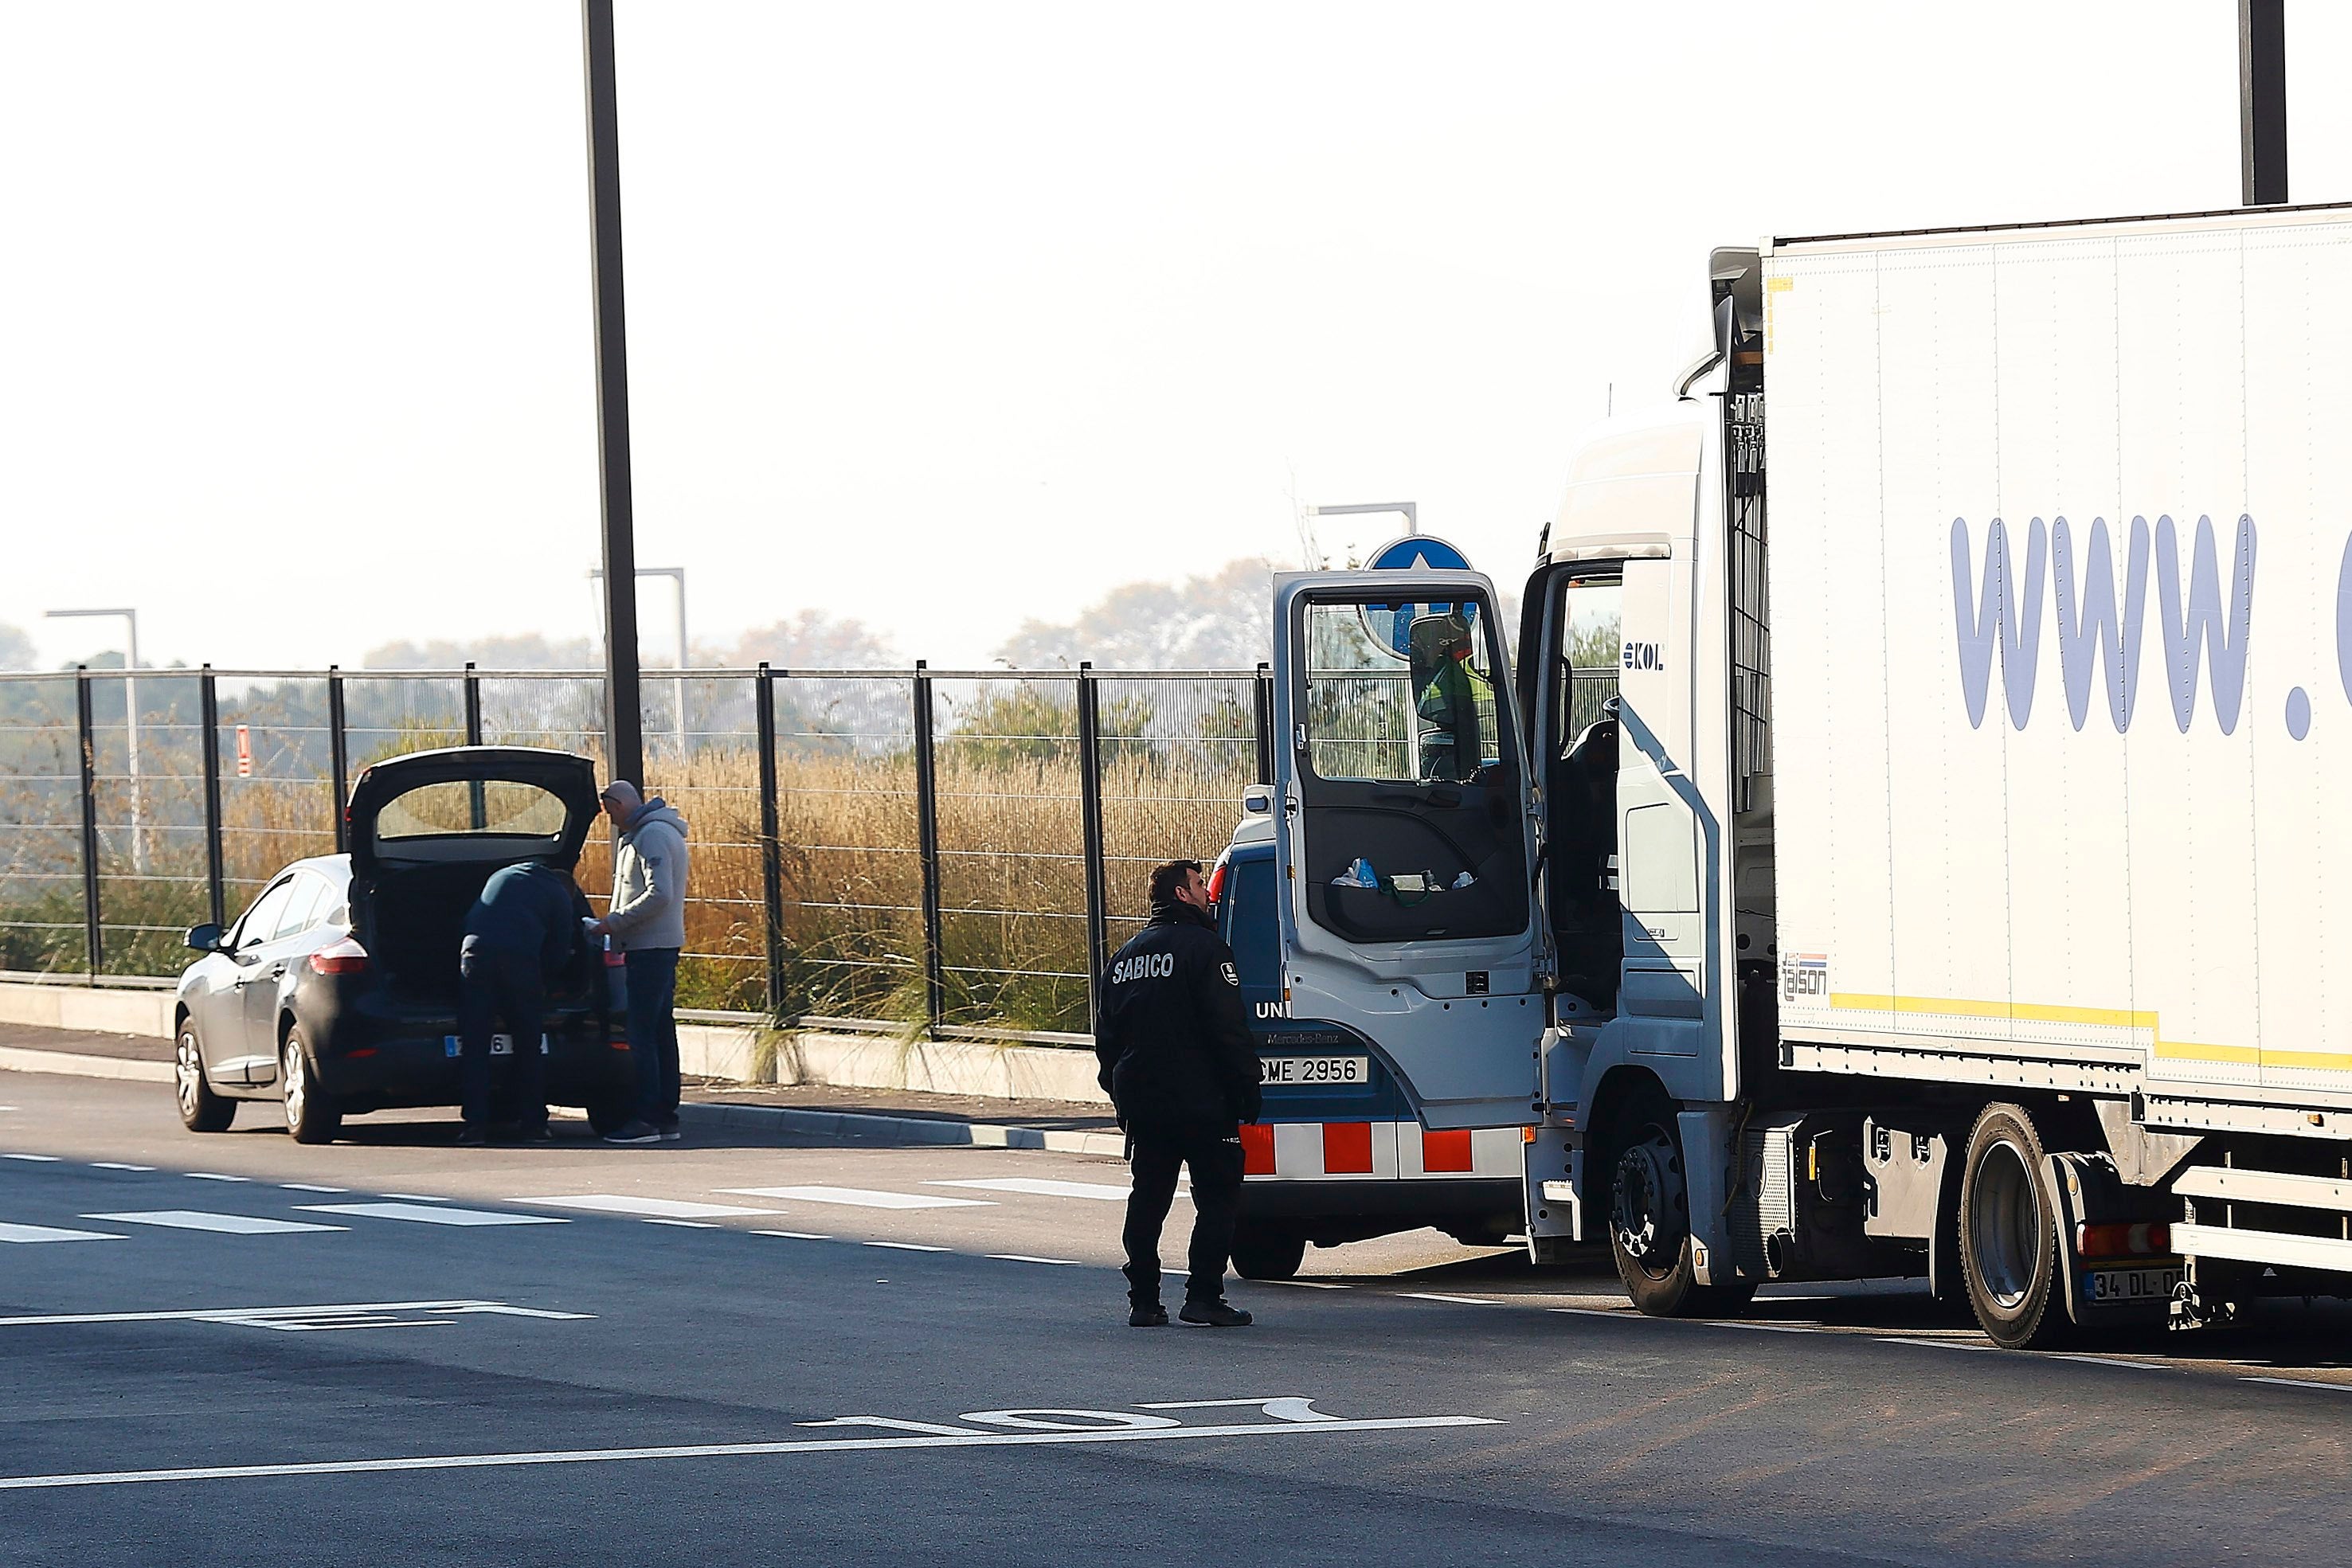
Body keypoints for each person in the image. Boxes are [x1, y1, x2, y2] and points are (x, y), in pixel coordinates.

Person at [1093, 858, 1263, 1328]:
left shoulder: (1126, 956)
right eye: (1198, 884)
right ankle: (1203, 1296)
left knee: (1148, 1197)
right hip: (1203, 1100)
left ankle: (1144, 1300)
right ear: (1182, 896)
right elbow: (1227, 1026)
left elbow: (1106, 1036)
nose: (1209, 892)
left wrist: (1118, 1092)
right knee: (1218, 1197)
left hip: (1145, 1102)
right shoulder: (1205, 948)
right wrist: (1247, 1086)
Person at [587, 780, 691, 1146]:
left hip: (650, 948)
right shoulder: (651, 833)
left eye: (610, 810)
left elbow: (658, 894)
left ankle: (648, 1117)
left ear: (619, 802)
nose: (610, 819)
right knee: (660, 1030)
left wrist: (610, 924)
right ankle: (664, 1115)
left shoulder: (651, 836)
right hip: (654, 945)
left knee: (643, 1033)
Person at [456, 858, 583, 1147]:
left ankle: (474, 1127)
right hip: (519, 963)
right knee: (528, 1045)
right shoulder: (559, 894)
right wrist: (548, 983)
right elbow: (560, 948)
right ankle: (534, 1125)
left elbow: (473, 918)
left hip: (475, 955)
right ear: (569, 890)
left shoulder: (504, 875)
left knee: (475, 1045)